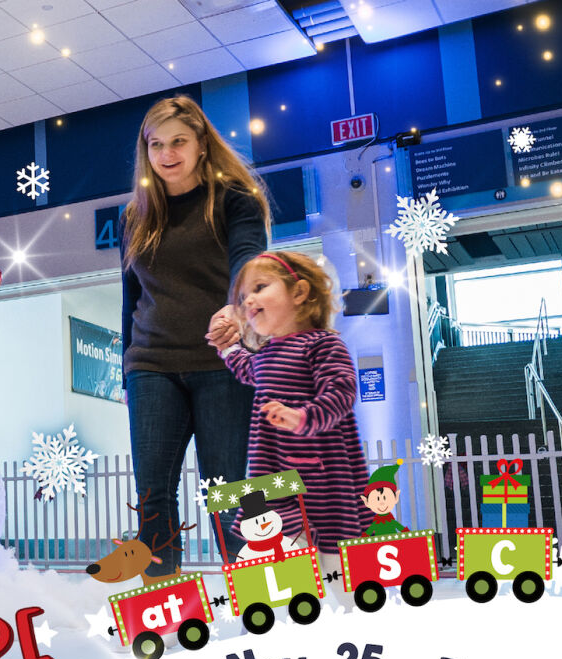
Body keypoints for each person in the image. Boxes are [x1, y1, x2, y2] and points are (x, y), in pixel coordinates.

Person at [120, 95, 270, 576]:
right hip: (151, 366)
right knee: (153, 494)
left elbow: (249, 262)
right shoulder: (136, 215)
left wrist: (237, 309)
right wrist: (127, 369)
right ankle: (162, 608)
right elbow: (130, 297)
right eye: (156, 144)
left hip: (222, 364)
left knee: (228, 492)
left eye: (178, 141)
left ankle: (259, 598)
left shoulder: (234, 198)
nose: (167, 154)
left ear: (202, 143)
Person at [209, 251, 371, 557]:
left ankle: (345, 601)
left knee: (332, 558)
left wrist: (302, 417)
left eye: (259, 288)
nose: (247, 301)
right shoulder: (267, 353)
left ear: (299, 292)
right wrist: (228, 347)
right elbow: (246, 368)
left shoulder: (322, 343)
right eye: (243, 296)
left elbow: (341, 391)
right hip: (273, 472)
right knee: (268, 548)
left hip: (317, 476)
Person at [361, 460, 410, 536]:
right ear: (366, 502)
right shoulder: (376, 522)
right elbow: (369, 531)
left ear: (396, 497)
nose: (381, 503)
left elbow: (400, 527)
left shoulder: (391, 520)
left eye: (385, 498)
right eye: (377, 499)